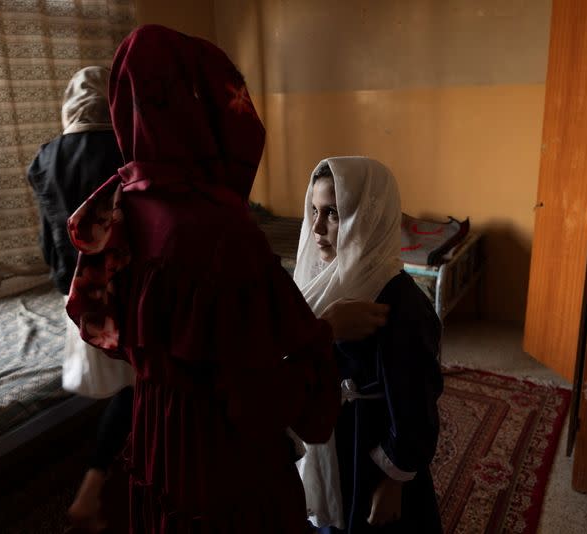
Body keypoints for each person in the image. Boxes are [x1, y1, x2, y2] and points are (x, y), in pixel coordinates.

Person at [64, 26, 389, 533]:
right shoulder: (221, 235)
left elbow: (131, 338)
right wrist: (326, 330)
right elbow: (261, 392)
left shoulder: (121, 206)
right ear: (206, 108)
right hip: (217, 456)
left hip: (157, 435)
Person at [293, 157, 444, 534]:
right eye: (313, 210)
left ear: (367, 218)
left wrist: (394, 480)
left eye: (332, 213)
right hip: (330, 443)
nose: (316, 227)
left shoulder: (399, 302)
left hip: (368, 455)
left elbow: (415, 406)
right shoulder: (320, 283)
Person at [26, 65, 134, 532]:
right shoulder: (126, 149)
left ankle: (106, 469)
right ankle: (96, 485)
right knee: (139, 385)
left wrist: (60, 278)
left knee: (125, 383)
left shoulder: (45, 156)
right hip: (122, 288)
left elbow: (51, 234)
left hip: (75, 286)